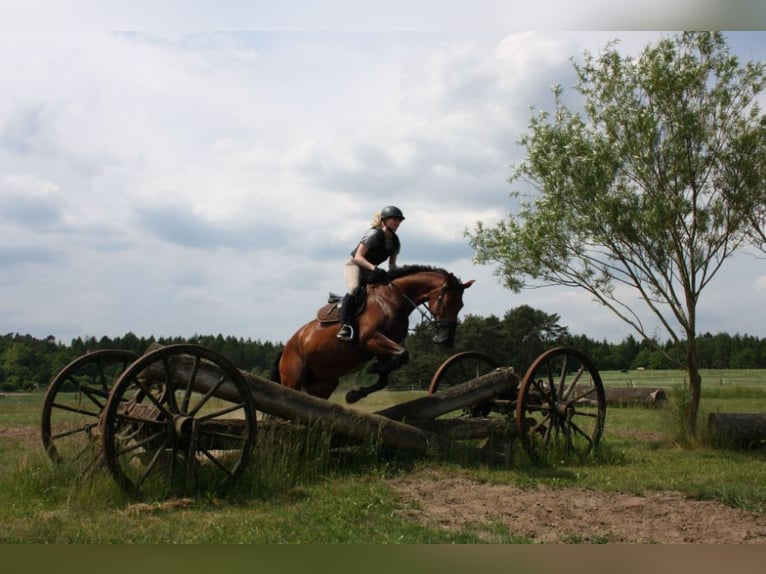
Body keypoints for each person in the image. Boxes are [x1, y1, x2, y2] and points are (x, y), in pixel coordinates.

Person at [337, 205, 405, 341]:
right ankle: (344, 326)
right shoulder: (374, 233)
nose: (397, 223)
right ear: (384, 220)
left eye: (399, 220)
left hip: (370, 269)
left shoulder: (396, 242)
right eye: (394, 220)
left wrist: (400, 275)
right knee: (354, 288)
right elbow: (358, 256)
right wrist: (374, 268)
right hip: (355, 265)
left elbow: (392, 265)